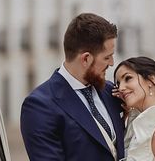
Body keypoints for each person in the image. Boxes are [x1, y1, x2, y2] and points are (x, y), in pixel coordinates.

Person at [20, 13, 125, 161]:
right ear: (86, 58)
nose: (112, 63)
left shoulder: (111, 91)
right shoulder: (40, 105)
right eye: (107, 57)